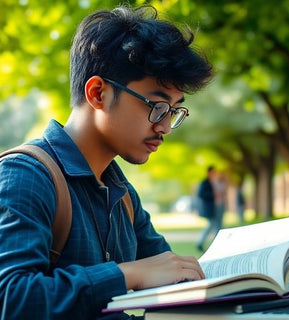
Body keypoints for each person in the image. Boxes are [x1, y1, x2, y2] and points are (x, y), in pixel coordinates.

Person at [0, 5, 212, 320]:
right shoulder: (26, 175)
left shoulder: (121, 191)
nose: (165, 126)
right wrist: (127, 274)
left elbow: (171, 270)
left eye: (174, 110)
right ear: (98, 93)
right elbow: (11, 298)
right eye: (156, 106)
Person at [196, 166, 216, 252]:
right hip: (208, 207)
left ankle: (201, 242)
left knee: (213, 225)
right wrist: (213, 195)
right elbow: (201, 194)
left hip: (213, 207)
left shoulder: (212, 182)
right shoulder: (205, 183)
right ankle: (200, 243)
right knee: (211, 225)